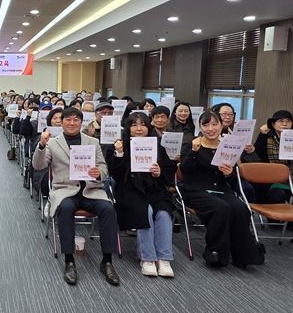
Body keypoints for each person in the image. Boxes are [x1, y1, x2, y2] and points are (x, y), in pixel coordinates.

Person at [32, 107, 121, 287]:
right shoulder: (53, 143)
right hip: (65, 190)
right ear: (62, 122)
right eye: (68, 119)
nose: (72, 123)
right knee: (65, 208)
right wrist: (41, 145)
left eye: (75, 120)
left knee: (108, 208)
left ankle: (107, 261)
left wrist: (98, 173)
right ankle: (69, 261)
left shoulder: (92, 142)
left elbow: (103, 167)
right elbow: (38, 165)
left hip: (91, 190)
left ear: (81, 122)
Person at [179, 111, 265, 268]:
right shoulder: (192, 144)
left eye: (214, 124)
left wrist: (229, 173)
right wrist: (194, 152)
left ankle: (243, 255)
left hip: (221, 190)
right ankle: (215, 253)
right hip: (196, 191)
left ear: (221, 125)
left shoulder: (227, 145)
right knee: (222, 208)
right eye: (206, 125)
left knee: (241, 208)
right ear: (200, 127)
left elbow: (233, 179)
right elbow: (185, 170)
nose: (210, 128)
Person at [108, 112, 176, 277]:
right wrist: (119, 154)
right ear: (128, 128)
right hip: (129, 190)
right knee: (146, 211)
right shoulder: (118, 146)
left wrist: (159, 172)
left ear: (149, 127)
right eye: (134, 125)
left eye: (143, 125)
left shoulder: (158, 146)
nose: (139, 129)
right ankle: (147, 258)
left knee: (163, 213)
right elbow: (114, 175)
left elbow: (169, 173)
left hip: (154, 189)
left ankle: (164, 258)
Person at [253, 109, 293, 204]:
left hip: (291, 177)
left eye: (288, 121)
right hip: (272, 179)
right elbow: (257, 155)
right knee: (277, 194)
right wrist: (262, 135)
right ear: (273, 124)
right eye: (281, 121)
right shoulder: (266, 136)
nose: (284, 124)